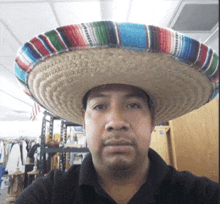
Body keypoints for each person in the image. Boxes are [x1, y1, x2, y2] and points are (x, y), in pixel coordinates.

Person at [14, 21, 219, 203]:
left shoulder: (202, 195)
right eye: (100, 106)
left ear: (152, 121)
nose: (116, 121)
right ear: (84, 122)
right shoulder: (47, 195)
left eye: (133, 105)